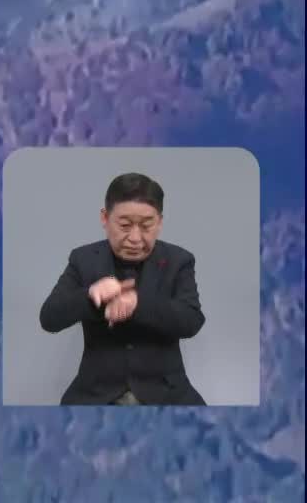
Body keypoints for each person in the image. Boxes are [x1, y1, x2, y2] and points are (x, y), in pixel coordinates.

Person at [38, 171, 207, 405]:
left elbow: (191, 320)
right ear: (105, 218)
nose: (135, 238)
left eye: (147, 226)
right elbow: (49, 318)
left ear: (160, 222)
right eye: (125, 225)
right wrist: (90, 296)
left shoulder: (180, 260)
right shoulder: (83, 259)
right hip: (95, 392)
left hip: (165, 392)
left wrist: (138, 304)